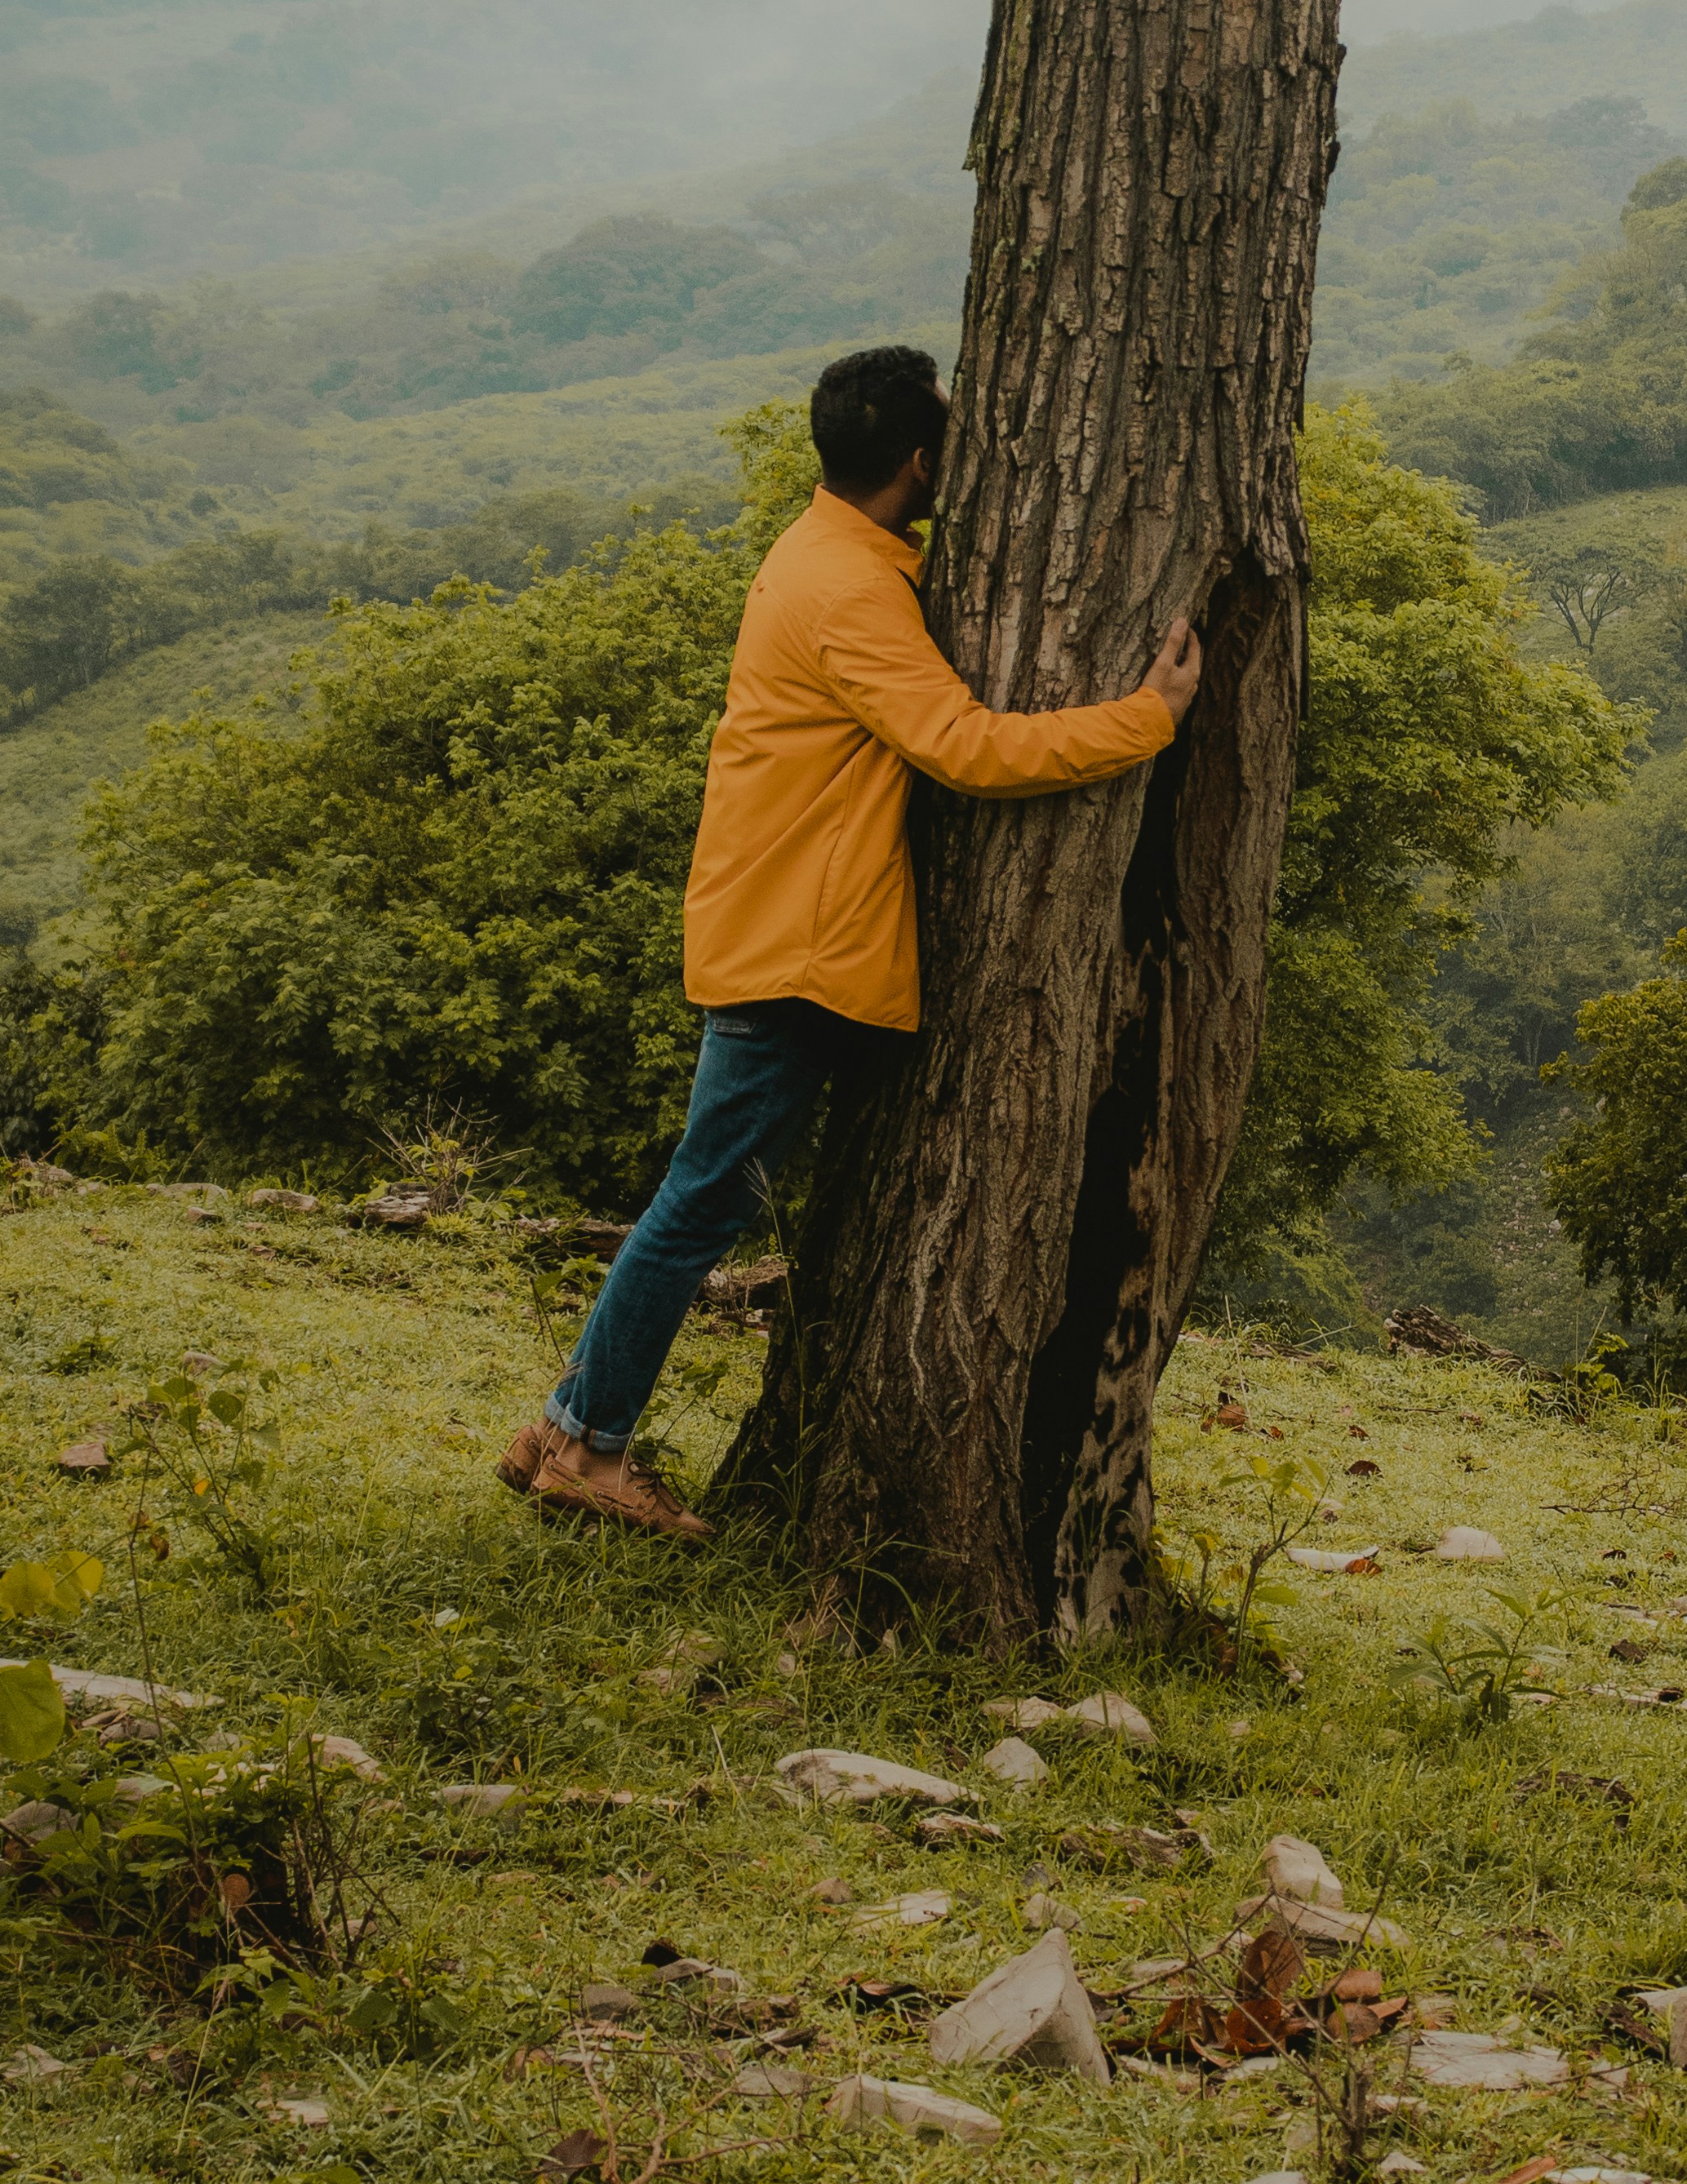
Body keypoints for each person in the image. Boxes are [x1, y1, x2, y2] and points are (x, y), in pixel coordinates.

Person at [496, 340, 1198, 1543]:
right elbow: (968, 750)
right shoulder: (851, 588)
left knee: (702, 1197)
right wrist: (1148, 716)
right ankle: (587, 1444)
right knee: (699, 1203)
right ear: (920, 460)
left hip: (782, 921)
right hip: (796, 943)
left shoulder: (836, 550)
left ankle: (566, 1429)